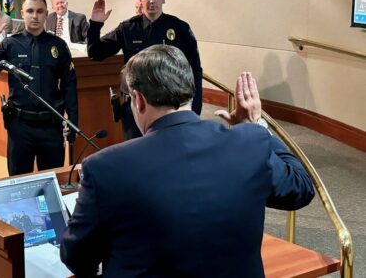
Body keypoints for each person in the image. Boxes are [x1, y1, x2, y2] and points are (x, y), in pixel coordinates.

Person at [60, 45, 315, 278]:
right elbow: (300, 189)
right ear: (191, 91)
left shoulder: (105, 168)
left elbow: (77, 257)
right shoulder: (250, 143)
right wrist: (256, 125)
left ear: (138, 100)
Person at [87, 0, 203, 140]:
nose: (152, 0)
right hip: (136, 107)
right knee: (135, 156)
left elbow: (195, 70)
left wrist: (195, 106)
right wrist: (95, 25)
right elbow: (95, 53)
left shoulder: (180, 28)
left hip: (169, 107)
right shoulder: (127, 28)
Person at [0, 0, 78, 175]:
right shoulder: (11, 43)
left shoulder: (58, 45)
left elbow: (69, 85)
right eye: (30, 11)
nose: (35, 16)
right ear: (22, 13)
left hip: (51, 125)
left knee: (51, 180)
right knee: (18, 181)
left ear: (46, 14)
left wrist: (72, 120)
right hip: (20, 126)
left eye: (40, 11)